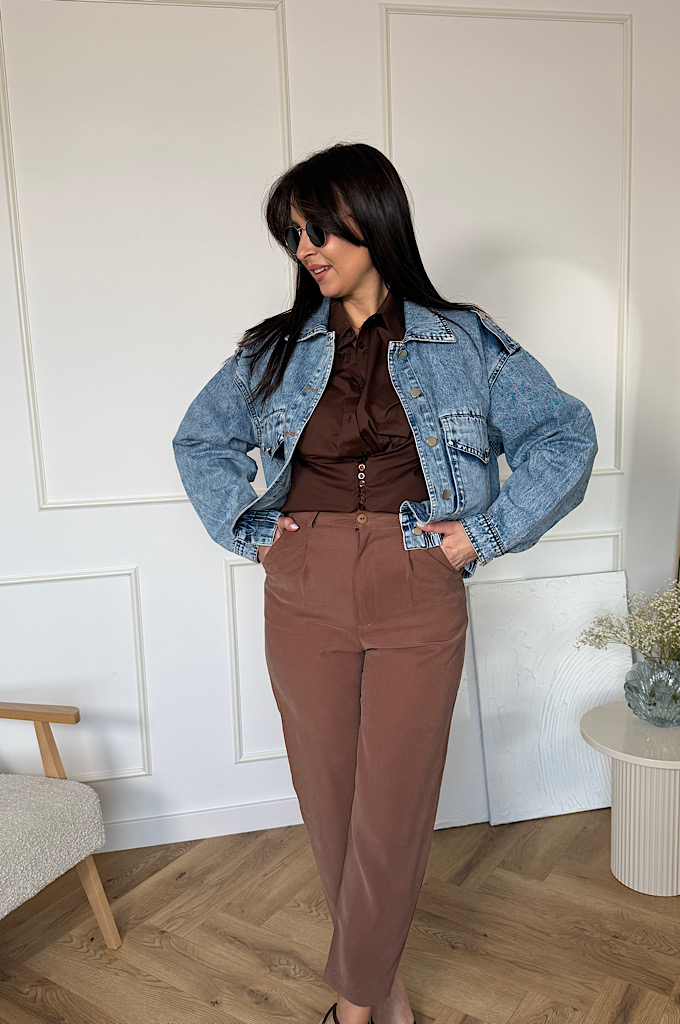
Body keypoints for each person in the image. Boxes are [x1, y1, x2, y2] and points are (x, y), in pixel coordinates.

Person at [172, 142, 598, 1024]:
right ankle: (381, 989)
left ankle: (355, 1006)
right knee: (330, 796)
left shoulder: (466, 340)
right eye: (294, 235)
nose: (306, 249)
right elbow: (201, 441)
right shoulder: (275, 349)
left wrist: (483, 534)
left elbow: (565, 436)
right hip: (305, 579)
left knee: (394, 801)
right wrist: (254, 533)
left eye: (319, 228)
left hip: (417, 576)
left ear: (373, 218)